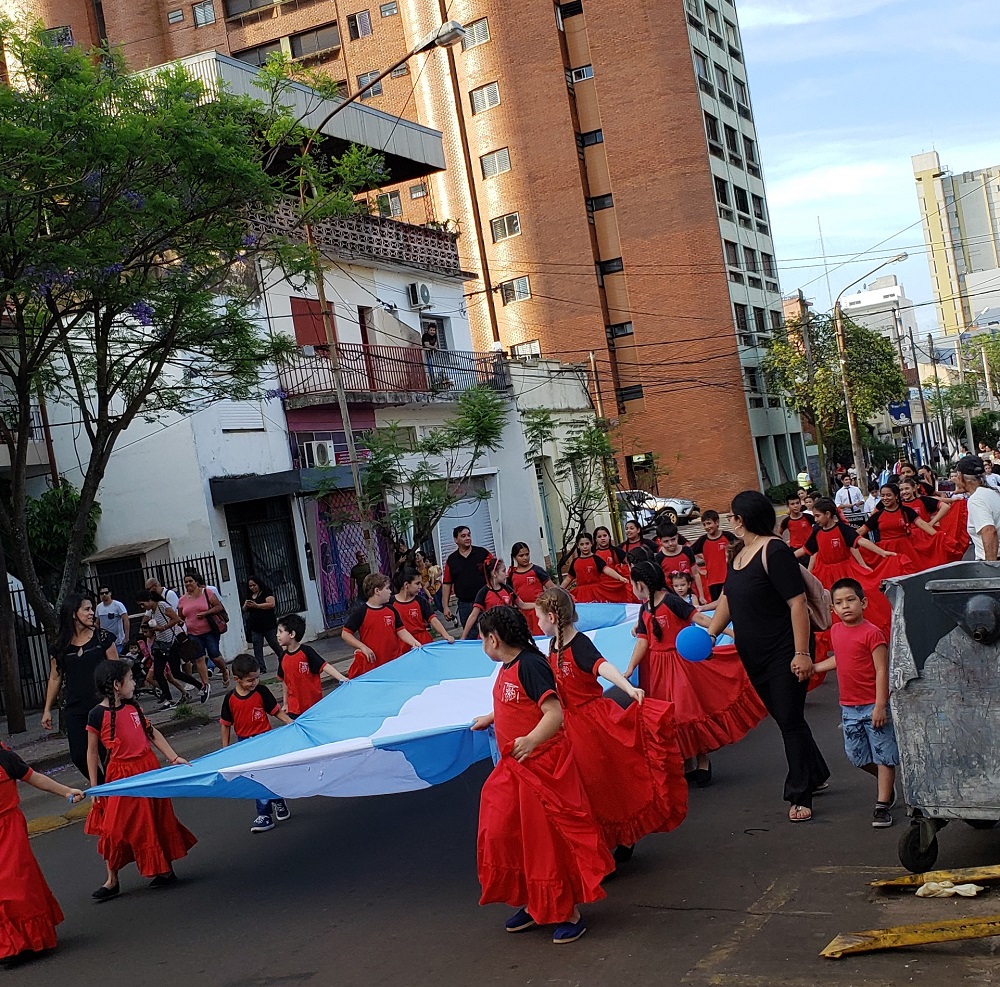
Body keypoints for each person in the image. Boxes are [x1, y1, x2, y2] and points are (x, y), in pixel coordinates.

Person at [470, 606, 612, 943]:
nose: (481, 644)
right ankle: (536, 902)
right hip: (515, 768)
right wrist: (492, 717)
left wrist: (532, 739)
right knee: (502, 833)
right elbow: (518, 703)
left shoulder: (531, 665)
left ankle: (567, 912)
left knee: (545, 843)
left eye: (480, 638)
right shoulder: (508, 666)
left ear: (493, 639)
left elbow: (554, 713)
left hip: (542, 767)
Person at [535, 586, 687, 860]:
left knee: (605, 783)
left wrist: (628, 688)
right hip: (570, 725)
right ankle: (600, 843)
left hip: (593, 723)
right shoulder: (552, 644)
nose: (537, 623)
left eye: (539, 618)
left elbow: (603, 666)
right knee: (584, 788)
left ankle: (620, 837)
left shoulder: (579, 644)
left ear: (552, 618)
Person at [707, 491, 830, 823]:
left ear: (741, 519)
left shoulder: (774, 552)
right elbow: (728, 600)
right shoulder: (738, 554)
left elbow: (797, 603)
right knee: (786, 717)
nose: (729, 520)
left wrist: (802, 653)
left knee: (789, 719)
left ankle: (799, 793)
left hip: (785, 652)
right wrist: (710, 633)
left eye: (731, 515)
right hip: (754, 655)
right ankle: (815, 770)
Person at [625, 561, 765, 786]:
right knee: (670, 717)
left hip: (680, 665)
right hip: (656, 670)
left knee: (687, 713)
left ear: (640, 584)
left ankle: (702, 759)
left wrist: (726, 629)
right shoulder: (645, 609)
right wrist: (631, 668)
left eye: (632, 583)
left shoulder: (671, 601)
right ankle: (687, 761)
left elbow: (697, 618)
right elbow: (643, 641)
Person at [85, 660, 196, 898]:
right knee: (114, 827)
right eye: (131, 679)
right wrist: (95, 789)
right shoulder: (96, 715)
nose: (135, 683)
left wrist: (173, 757)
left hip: (147, 769)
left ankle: (165, 870)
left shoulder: (134, 708)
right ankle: (111, 879)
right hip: (120, 776)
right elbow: (92, 752)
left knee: (155, 818)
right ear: (116, 685)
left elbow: (151, 733)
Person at [810, 579, 898, 828]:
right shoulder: (836, 631)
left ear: (863, 602)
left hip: (873, 703)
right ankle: (886, 783)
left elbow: (882, 671)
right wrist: (816, 667)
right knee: (856, 756)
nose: (845, 606)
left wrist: (881, 705)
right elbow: (840, 658)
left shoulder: (872, 633)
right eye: (839, 603)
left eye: (850, 600)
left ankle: (882, 804)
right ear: (833, 609)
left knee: (884, 755)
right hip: (848, 706)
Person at [0, 743, 85, 964]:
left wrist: (66, 791)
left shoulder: (5, 758)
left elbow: (34, 777)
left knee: (17, 884)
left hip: (9, 830)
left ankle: (26, 942)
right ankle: (11, 944)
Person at [41, 593, 120, 781]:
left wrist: (119, 700)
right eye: (87, 609)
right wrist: (47, 710)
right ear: (73, 614)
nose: (92, 613)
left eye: (92, 609)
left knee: (106, 754)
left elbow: (117, 670)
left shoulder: (102, 638)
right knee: (78, 755)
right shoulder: (60, 646)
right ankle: (102, 787)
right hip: (76, 708)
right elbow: (55, 677)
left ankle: (115, 796)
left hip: (103, 706)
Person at [220, 654, 294, 834]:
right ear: (236, 679)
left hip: (265, 740)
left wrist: (290, 722)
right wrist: (225, 749)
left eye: (257, 678)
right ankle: (265, 814)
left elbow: (275, 711)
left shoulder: (261, 692)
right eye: (249, 680)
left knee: (270, 775)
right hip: (245, 744)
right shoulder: (230, 699)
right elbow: (225, 724)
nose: (254, 683)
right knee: (256, 779)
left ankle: (275, 800)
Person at [342, 573, 421, 678]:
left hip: (395, 661)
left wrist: (414, 643)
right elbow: (346, 633)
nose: (390, 592)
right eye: (387, 588)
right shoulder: (361, 611)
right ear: (377, 591)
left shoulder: (391, 609)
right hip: (374, 665)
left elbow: (401, 630)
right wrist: (362, 647)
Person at [135, 589, 203, 708]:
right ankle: (169, 699)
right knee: (158, 672)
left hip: (171, 643)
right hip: (160, 645)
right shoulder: (151, 612)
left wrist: (163, 628)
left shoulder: (162, 606)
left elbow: (176, 619)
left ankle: (200, 686)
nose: (142, 607)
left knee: (176, 673)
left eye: (143, 604)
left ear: (150, 600)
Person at [275, 613, 347, 717]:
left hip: (313, 705)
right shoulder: (282, 656)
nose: (277, 635)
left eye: (280, 632)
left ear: (292, 634)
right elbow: (284, 681)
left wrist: (341, 678)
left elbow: (324, 665)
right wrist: (286, 703)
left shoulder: (307, 652)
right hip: (294, 707)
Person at [858, 483, 938, 571]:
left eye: (888, 495)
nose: (885, 498)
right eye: (882, 496)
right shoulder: (877, 516)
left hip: (907, 550)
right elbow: (861, 532)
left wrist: (938, 536)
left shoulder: (906, 511)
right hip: (887, 552)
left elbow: (922, 524)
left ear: (896, 496)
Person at [176, 570, 230, 692]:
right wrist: (180, 622)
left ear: (196, 582)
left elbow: (219, 607)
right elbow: (181, 616)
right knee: (199, 658)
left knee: (214, 655)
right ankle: (206, 685)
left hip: (210, 630)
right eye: (186, 582)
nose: (188, 583)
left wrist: (206, 613)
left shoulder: (207, 592)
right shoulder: (182, 600)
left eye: (190, 581)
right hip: (193, 633)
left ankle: (224, 670)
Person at [463, 556, 529, 639]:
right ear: (494, 573)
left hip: (506, 632)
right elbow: (473, 615)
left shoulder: (507, 589)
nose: (506, 574)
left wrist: (539, 604)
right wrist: (463, 637)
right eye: (503, 571)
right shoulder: (483, 593)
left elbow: (522, 605)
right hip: (490, 633)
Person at [441, 526, 492, 628]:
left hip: (485, 601)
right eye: (463, 536)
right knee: (470, 636)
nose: (467, 538)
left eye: (469, 535)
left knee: (490, 631)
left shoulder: (482, 553)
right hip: (465, 605)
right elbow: (447, 584)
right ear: (456, 540)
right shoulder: (452, 560)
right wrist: (445, 606)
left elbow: (496, 571)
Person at [391, 568, 455, 648]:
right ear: (406, 585)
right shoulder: (390, 603)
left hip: (423, 642)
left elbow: (433, 620)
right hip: (402, 644)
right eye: (417, 583)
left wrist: (446, 635)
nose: (420, 587)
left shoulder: (421, 601)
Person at [952, 455, 1000, 560]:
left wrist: (990, 568)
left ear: (961, 476)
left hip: (994, 563)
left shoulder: (976, 500)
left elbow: (989, 531)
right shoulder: (995, 491)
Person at [561, 531, 628, 603]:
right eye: (582, 544)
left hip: (597, 592)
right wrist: (559, 590)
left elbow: (607, 570)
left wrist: (619, 577)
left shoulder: (596, 558)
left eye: (587, 543)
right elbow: (568, 579)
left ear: (591, 544)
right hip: (581, 594)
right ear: (578, 546)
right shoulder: (575, 562)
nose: (585, 546)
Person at [509, 543, 555, 634]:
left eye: (527, 554)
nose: (525, 558)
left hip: (540, 610)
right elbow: (510, 596)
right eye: (521, 555)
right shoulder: (511, 575)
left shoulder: (537, 570)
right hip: (522, 614)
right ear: (514, 557)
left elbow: (552, 588)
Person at [655, 523, 706, 603]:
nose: (670, 544)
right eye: (666, 541)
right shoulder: (659, 558)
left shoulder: (687, 551)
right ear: (659, 541)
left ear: (677, 537)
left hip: (691, 595)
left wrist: (701, 596)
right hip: (671, 597)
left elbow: (695, 574)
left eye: (673, 539)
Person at [692, 510, 737, 599]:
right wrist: (696, 568)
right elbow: (688, 553)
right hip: (713, 582)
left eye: (709, 523)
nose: (707, 527)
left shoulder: (728, 536)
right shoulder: (702, 540)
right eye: (704, 524)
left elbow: (741, 548)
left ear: (717, 522)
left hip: (729, 579)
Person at [243, 576, 280, 674]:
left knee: (274, 643)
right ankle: (261, 667)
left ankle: (283, 659)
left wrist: (257, 606)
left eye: (254, 585)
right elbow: (244, 609)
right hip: (255, 626)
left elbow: (271, 604)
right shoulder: (249, 596)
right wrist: (246, 605)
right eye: (250, 586)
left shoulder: (266, 592)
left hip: (268, 624)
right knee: (257, 647)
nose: (252, 588)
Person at [592, 526, 631, 604]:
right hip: (602, 588)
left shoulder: (617, 551)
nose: (603, 538)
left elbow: (630, 564)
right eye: (599, 537)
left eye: (605, 536)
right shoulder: (593, 555)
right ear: (595, 539)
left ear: (609, 537)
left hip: (619, 586)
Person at [778, 495, 815, 565]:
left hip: (809, 549)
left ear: (800, 504)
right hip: (796, 550)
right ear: (788, 506)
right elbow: (779, 533)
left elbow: (820, 526)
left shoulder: (808, 517)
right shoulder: (786, 521)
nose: (795, 506)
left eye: (797, 503)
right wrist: (784, 545)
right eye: (792, 504)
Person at [96, 587, 130, 655]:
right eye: (102, 593)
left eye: (106, 592)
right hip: (105, 643)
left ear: (110, 593)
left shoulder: (118, 605)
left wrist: (126, 637)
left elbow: (126, 620)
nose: (104, 595)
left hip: (118, 642)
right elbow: (97, 623)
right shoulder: (98, 607)